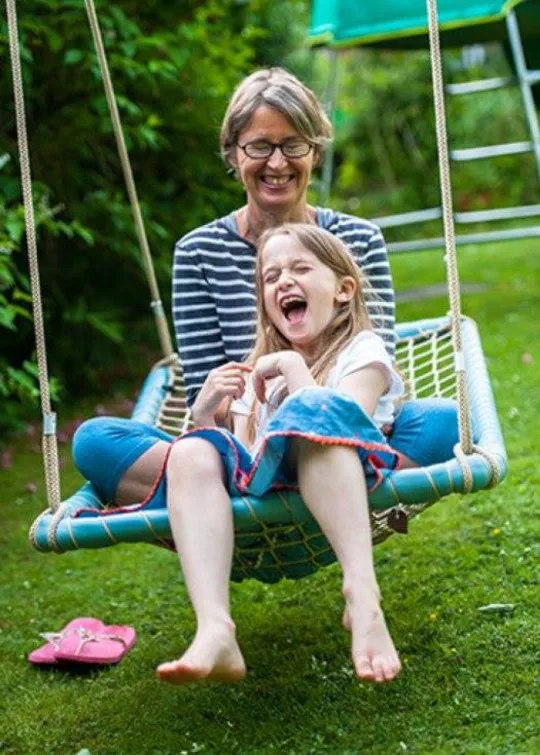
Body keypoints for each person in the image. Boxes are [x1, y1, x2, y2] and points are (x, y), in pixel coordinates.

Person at [157, 223, 404, 685]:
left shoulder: (364, 352)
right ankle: (216, 628)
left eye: (300, 269)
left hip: (340, 475)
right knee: (189, 452)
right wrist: (206, 414)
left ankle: (363, 593)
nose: (284, 282)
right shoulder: (258, 373)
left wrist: (291, 366)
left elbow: (336, 420)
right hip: (270, 482)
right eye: (271, 277)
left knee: (310, 410)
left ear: (344, 290)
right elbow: (241, 457)